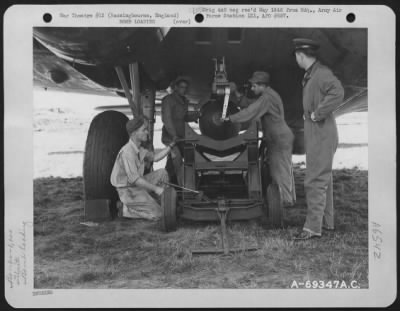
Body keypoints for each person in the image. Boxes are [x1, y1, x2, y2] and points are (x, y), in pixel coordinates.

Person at [292, 38, 344, 240]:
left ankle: (312, 228)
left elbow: (338, 92)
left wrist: (317, 114)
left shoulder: (321, 74)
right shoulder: (312, 74)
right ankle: (327, 223)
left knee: (314, 179)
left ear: (300, 55)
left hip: (321, 131)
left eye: (296, 56)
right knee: (324, 178)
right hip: (318, 131)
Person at [221, 71, 296, 207]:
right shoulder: (268, 95)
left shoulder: (267, 98)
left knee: (280, 169)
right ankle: (284, 199)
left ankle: (286, 201)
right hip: (276, 136)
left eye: (254, 86)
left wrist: (230, 118)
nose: (252, 88)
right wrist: (236, 93)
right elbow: (250, 104)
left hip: (279, 137)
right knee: (278, 168)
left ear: (262, 85)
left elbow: (251, 111)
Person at [110, 116, 175, 220]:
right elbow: (135, 180)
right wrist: (157, 189)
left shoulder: (138, 149)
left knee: (162, 173)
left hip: (136, 185)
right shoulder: (128, 152)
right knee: (159, 214)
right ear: (134, 133)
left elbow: (155, 157)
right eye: (144, 130)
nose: (147, 133)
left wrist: (171, 146)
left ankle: (161, 203)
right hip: (128, 191)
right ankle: (126, 211)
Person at [161, 77, 201, 185]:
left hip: (182, 136)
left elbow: (183, 118)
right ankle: (184, 188)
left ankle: (171, 184)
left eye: (186, 88)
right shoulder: (168, 100)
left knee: (188, 159)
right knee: (177, 161)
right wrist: (173, 135)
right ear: (175, 88)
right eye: (182, 87)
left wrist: (196, 115)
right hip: (171, 137)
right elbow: (167, 119)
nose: (184, 90)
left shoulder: (183, 101)